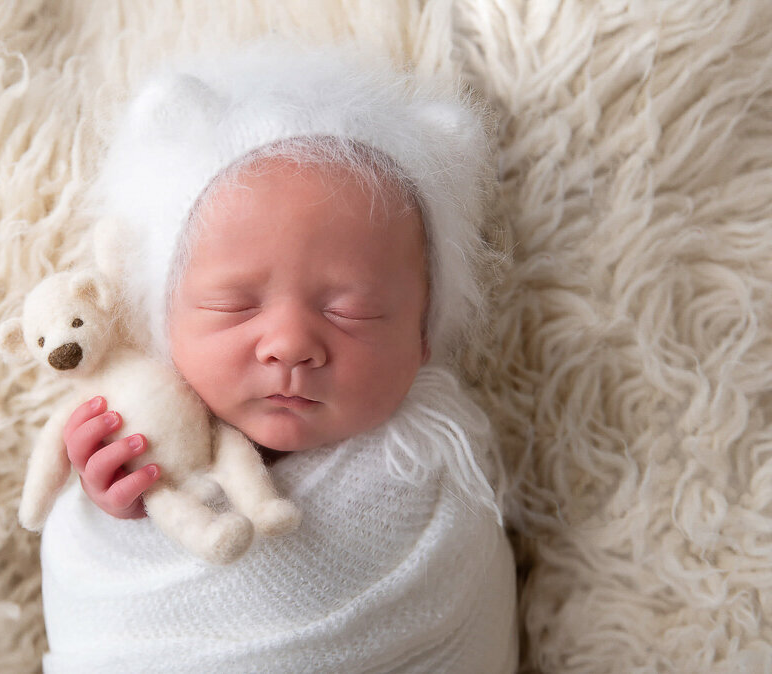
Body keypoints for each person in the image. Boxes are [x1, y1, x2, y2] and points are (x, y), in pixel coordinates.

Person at [39, 42, 518, 673]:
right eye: (235, 305)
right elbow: (94, 594)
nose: (290, 344)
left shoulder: (436, 495)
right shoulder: (147, 416)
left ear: (423, 336)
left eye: (351, 311)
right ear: (163, 322)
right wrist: (117, 507)